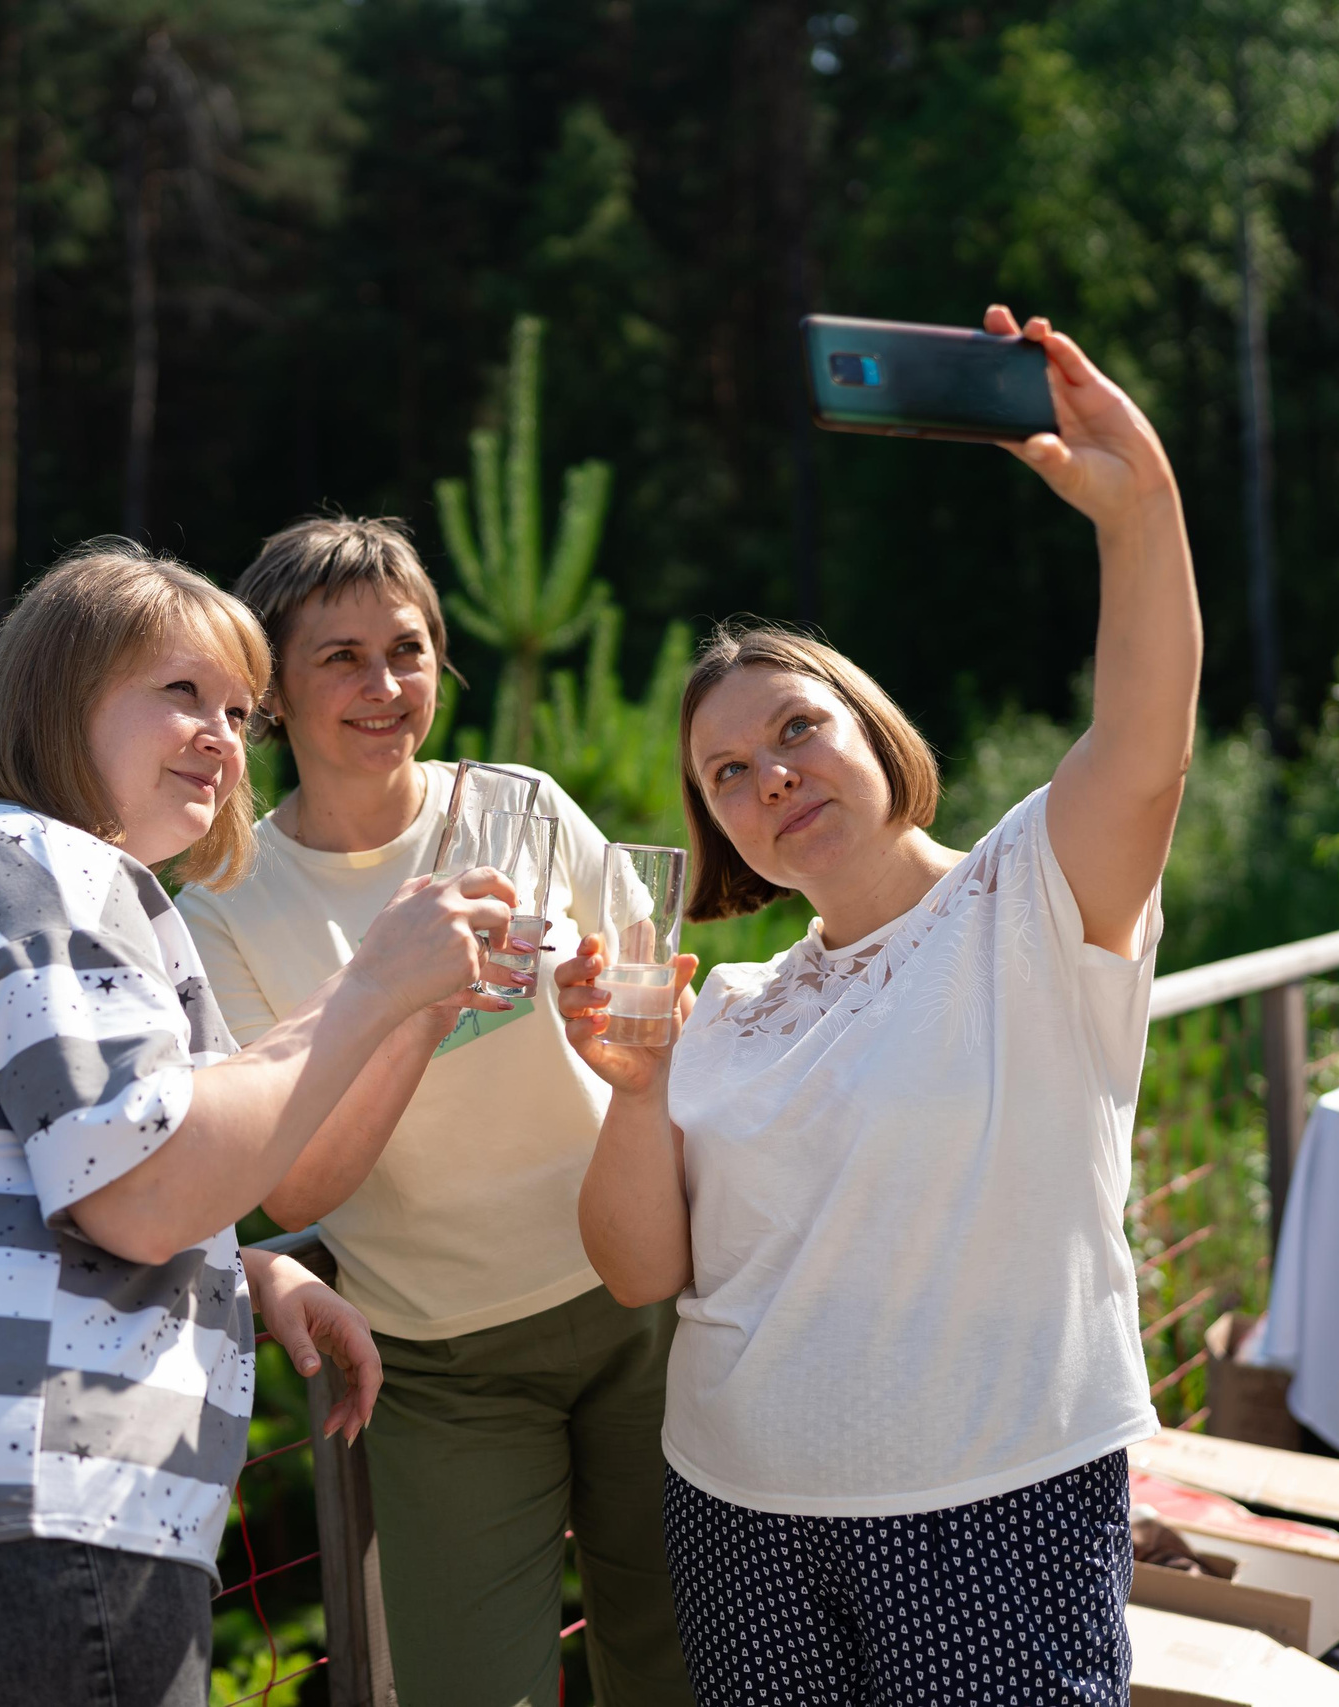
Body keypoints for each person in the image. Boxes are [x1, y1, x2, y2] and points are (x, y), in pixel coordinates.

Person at [0, 539, 528, 1707]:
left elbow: (37, 1178)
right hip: (14, 1540)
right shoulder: (40, 861)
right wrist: (374, 980)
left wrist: (238, 1271)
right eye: (181, 692)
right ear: (59, 701)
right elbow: (145, 1194)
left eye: (241, 712)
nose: (222, 737)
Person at [560, 307, 1201, 1705]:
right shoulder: (725, 1004)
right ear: (719, 828)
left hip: (993, 1508)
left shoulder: (1029, 898)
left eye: (798, 727)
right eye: (728, 773)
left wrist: (1137, 507)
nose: (772, 776)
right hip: (735, 1514)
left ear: (872, 728)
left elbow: (1146, 747)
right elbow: (639, 1273)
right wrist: (635, 1087)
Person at [176, 517, 696, 1707]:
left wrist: (620, 1015)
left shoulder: (524, 806)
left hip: (640, 1310)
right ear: (271, 693)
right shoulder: (222, 906)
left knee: (675, 1673)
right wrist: (418, 1004)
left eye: (406, 651)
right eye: (341, 658)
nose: (384, 686)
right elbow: (294, 1187)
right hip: (441, 1368)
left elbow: (658, 996)